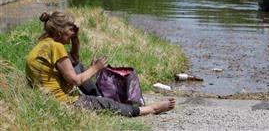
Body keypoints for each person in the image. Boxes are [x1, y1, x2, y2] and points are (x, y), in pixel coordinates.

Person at [26, 11, 175, 117]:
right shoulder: (56, 47)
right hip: (63, 102)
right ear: (59, 31)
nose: (73, 32)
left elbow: (75, 62)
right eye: (71, 30)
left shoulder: (46, 43)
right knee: (111, 106)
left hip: (46, 96)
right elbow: (75, 80)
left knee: (79, 67)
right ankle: (151, 109)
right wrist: (96, 68)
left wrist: (75, 40)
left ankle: (99, 98)